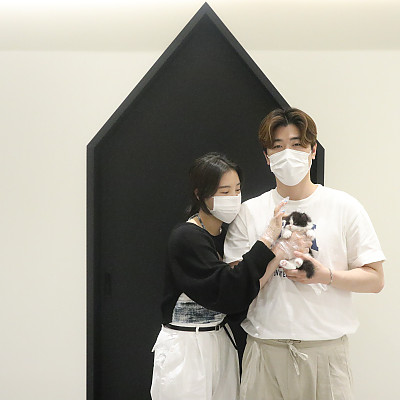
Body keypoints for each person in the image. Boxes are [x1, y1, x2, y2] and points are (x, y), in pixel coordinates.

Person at [224, 108, 385, 400]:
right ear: (267, 156)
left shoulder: (344, 207)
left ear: (312, 151)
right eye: (278, 146)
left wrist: (325, 275)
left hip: (325, 353)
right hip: (265, 351)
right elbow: (236, 287)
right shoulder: (250, 212)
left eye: (297, 144)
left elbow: (375, 279)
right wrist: (275, 254)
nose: (287, 153)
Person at [150, 152, 311, 400]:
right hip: (187, 344)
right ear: (200, 194)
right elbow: (228, 287)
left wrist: (279, 252)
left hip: (220, 338)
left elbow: (246, 286)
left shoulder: (224, 235)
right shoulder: (187, 237)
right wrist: (268, 239)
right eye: (224, 192)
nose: (234, 198)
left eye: (237, 190)